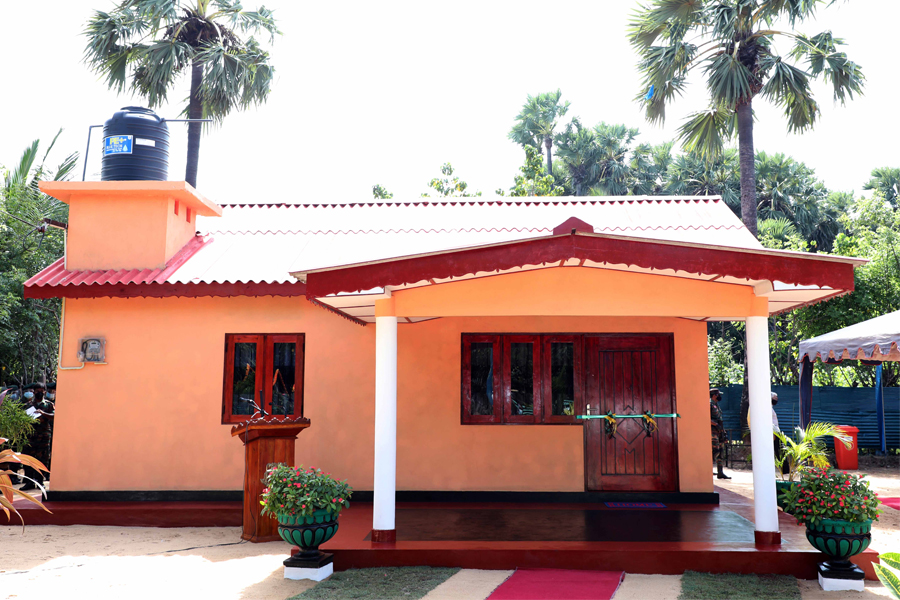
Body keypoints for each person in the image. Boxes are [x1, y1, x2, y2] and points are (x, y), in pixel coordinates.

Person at [20, 383, 53, 491]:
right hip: (30, 437)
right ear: (33, 392)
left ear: (44, 391)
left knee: (42, 459)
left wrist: (43, 413)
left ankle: (40, 481)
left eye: (42, 390)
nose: (40, 392)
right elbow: (22, 419)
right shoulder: (28, 405)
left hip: (43, 437)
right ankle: (29, 482)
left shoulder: (48, 405)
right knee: (28, 459)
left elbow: (54, 416)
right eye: (37, 390)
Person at [710, 388, 731, 479]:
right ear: (714, 395)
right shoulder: (709, 404)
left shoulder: (716, 405)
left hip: (719, 431)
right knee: (715, 451)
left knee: (721, 452)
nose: (720, 396)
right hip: (712, 431)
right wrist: (715, 424)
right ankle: (707, 469)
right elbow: (706, 417)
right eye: (719, 395)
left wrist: (722, 431)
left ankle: (720, 472)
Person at [771, 392, 789, 475]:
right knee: (779, 451)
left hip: (776, 432)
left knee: (780, 450)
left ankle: (785, 469)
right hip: (774, 433)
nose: (776, 399)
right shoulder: (768, 409)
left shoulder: (771, 408)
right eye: (775, 398)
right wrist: (773, 434)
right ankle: (785, 469)